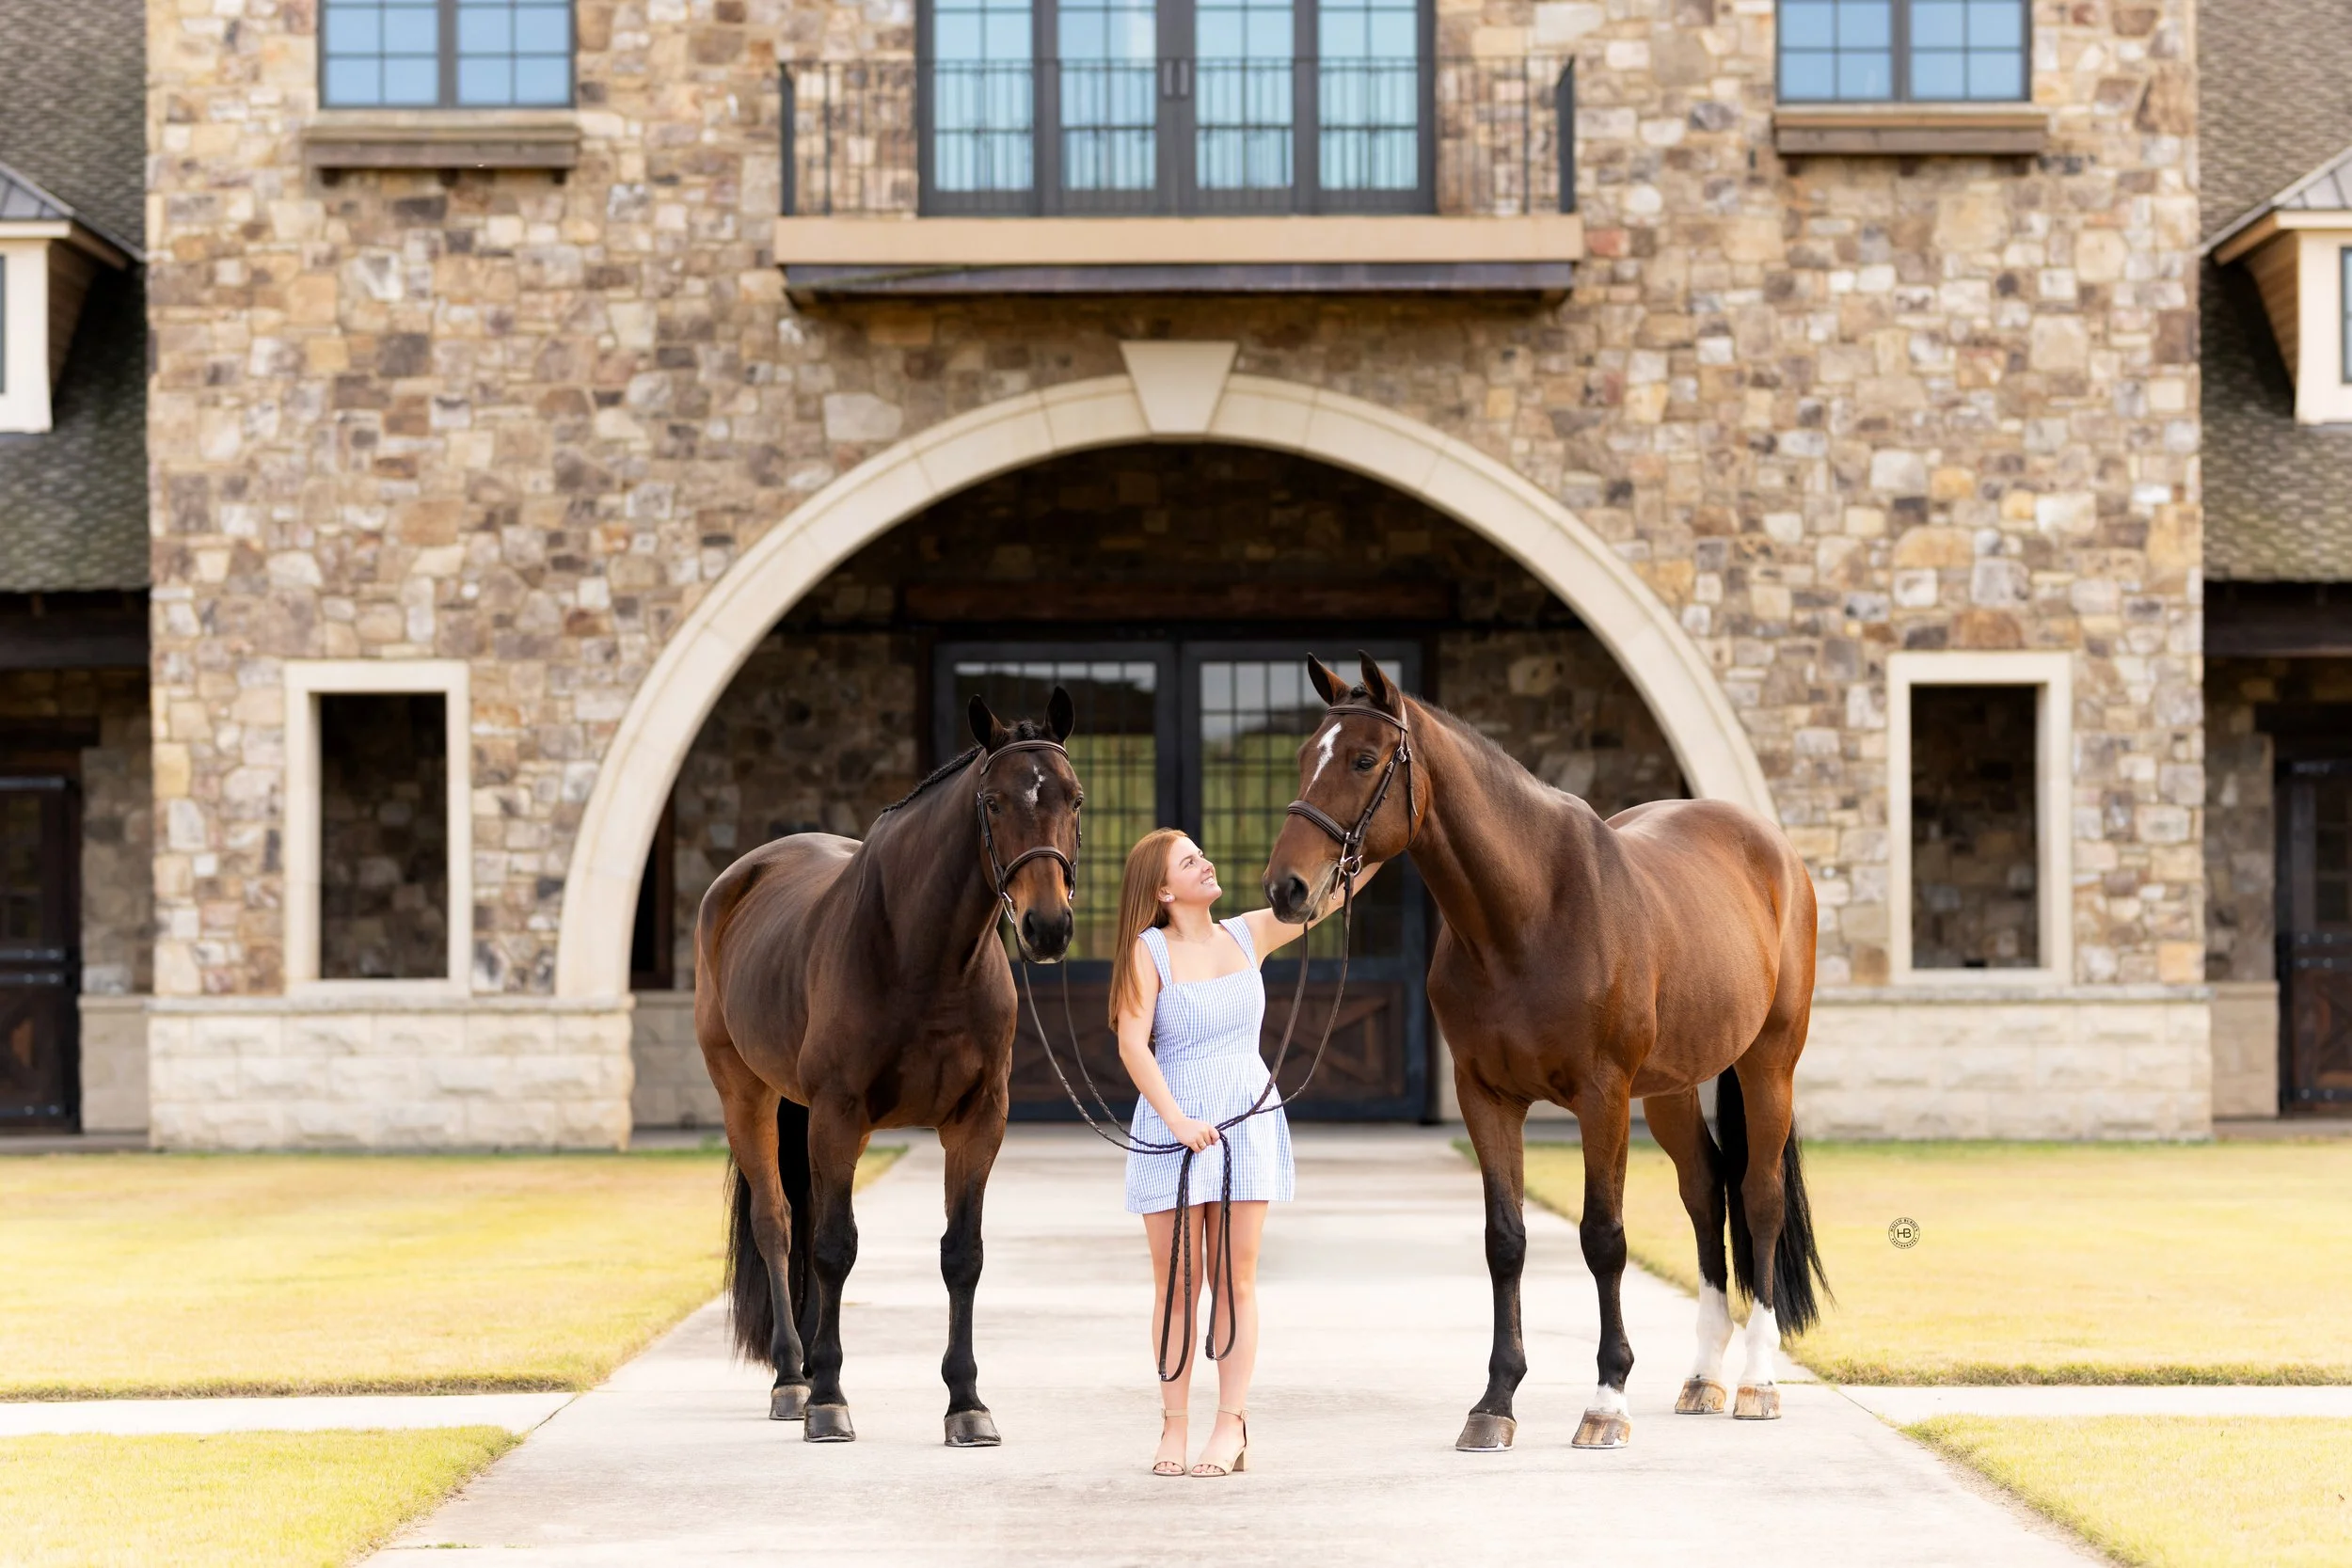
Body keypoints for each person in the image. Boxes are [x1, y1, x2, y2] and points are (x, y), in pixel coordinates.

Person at [1109, 827, 1376, 1478]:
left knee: (1235, 1280)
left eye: (1202, 853)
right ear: (1163, 890)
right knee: (1178, 1285)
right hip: (1173, 1127)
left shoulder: (1247, 932)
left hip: (1245, 1124)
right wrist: (1177, 1120)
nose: (1207, 863)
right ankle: (1174, 1425)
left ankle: (1231, 1425)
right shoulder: (1148, 951)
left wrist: (1382, 847)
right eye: (1190, 861)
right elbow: (1133, 1044)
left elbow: (1329, 898)